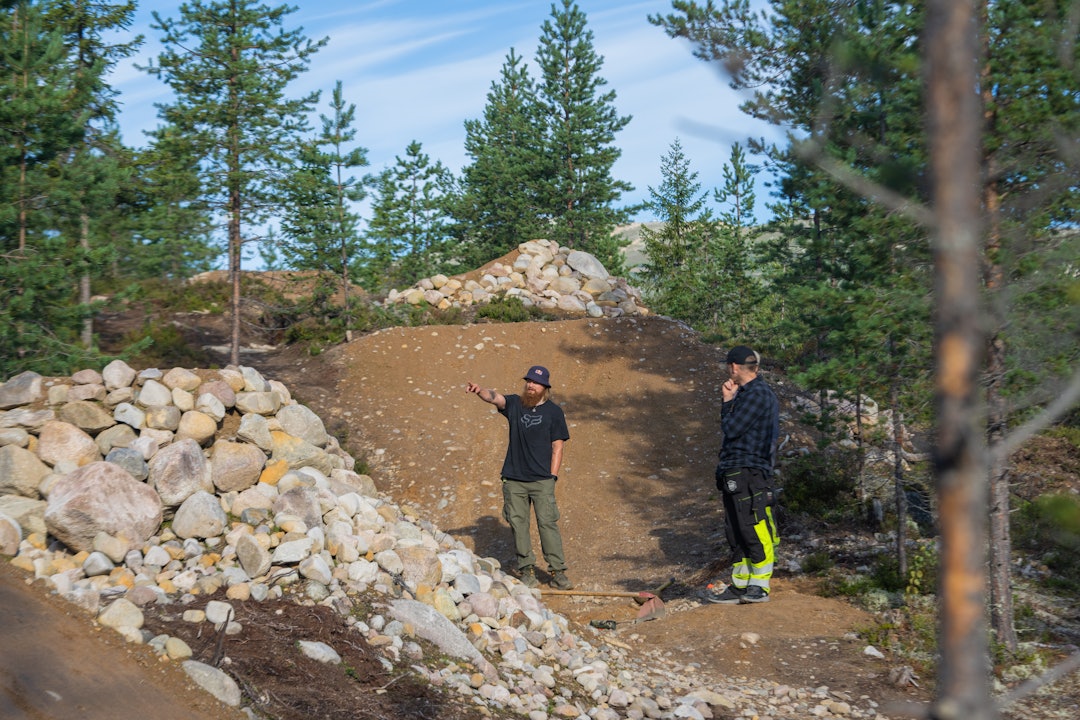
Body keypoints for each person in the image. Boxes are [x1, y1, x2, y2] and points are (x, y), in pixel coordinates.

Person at [466, 365, 573, 590]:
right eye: (528, 381)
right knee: (519, 524)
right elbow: (495, 398)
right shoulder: (515, 404)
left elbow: (558, 446)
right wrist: (479, 391)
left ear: (545, 387)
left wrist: (552, 476)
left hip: (542, 480)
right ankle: (527, 570)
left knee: (547, 524)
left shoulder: (554, 412)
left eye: (535, 382)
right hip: (514, 479)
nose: (530, 385)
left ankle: (558, 572)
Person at [703, 345, 780, 604]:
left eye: (728, 366)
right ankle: (740, 586)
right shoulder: (749, 394)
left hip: (750, 471)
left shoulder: (757, 394)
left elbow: (732, 428)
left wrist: (727, 402)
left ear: (734, 367)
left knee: (752, 525)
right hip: (737, 469)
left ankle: (759, 585)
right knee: (735, 529)